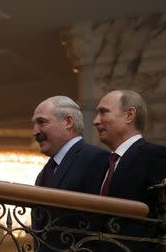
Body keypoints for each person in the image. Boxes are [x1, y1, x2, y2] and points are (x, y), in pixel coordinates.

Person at [31, 96, 109, 252]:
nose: (35, 132)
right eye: (34, 124)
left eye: (42, 122)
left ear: (68, 122)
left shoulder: (96, 159)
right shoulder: (44, 173)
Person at [92, 89, 166, 251]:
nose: (95, 121)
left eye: (103, 112)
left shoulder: (155, 156)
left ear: (129, 115)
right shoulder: (104, 164)